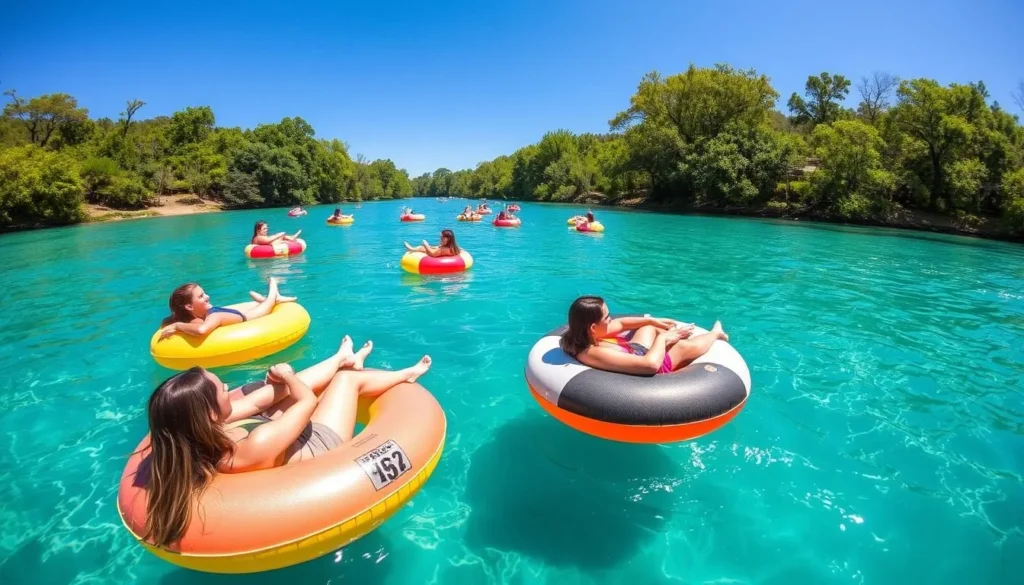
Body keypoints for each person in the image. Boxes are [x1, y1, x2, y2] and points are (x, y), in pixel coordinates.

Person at [139, 335, 432, 547]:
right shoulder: (248, 448)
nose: (229, 388)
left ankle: (341, 357)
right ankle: (405, 374)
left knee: (273, 391)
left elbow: (254, 403)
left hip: (278, 438)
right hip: (317, 443)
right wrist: (288, 376)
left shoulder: (200, 434)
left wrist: (277, 384)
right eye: (222, 389)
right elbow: (304, 403)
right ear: (211, 412)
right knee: (344, 382)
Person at [559, 295, 728, 376]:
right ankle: (715, 334)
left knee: (647, 328)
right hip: (651, 363)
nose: (611, 320)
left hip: (634, 351)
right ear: (593, 327)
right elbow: (650, 365)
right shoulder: (591, 352)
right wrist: (664, 338)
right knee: (684, 347)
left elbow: (623, 323)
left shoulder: (582, 335)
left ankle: (676, 337)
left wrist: (653, 321)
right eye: (607, 317)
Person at [157, 278, 296, 340]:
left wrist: (177, 326)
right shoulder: (191, 320)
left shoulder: (214, 317)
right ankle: (263, 298)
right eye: (201, 296)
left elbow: (201, 330)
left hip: (246, 317)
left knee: (269, 304)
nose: (207, 296)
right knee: (264, 302)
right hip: (223, 315)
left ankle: (273, 286)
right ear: (189, 306)